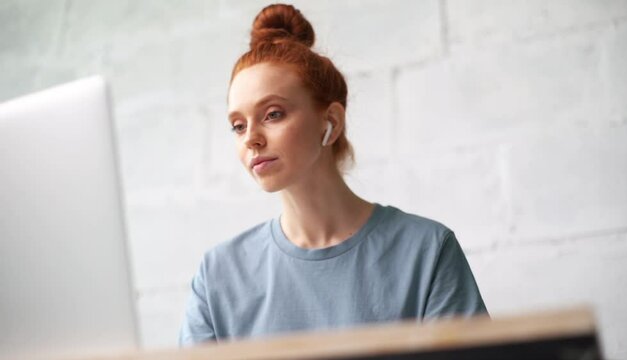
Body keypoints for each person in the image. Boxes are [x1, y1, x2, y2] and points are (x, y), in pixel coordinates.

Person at [179, 3, 487, 345]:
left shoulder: (427, 251)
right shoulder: (218, 276)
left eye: (273, 114)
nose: (251, 138)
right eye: (238, 125)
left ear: (331, 122)